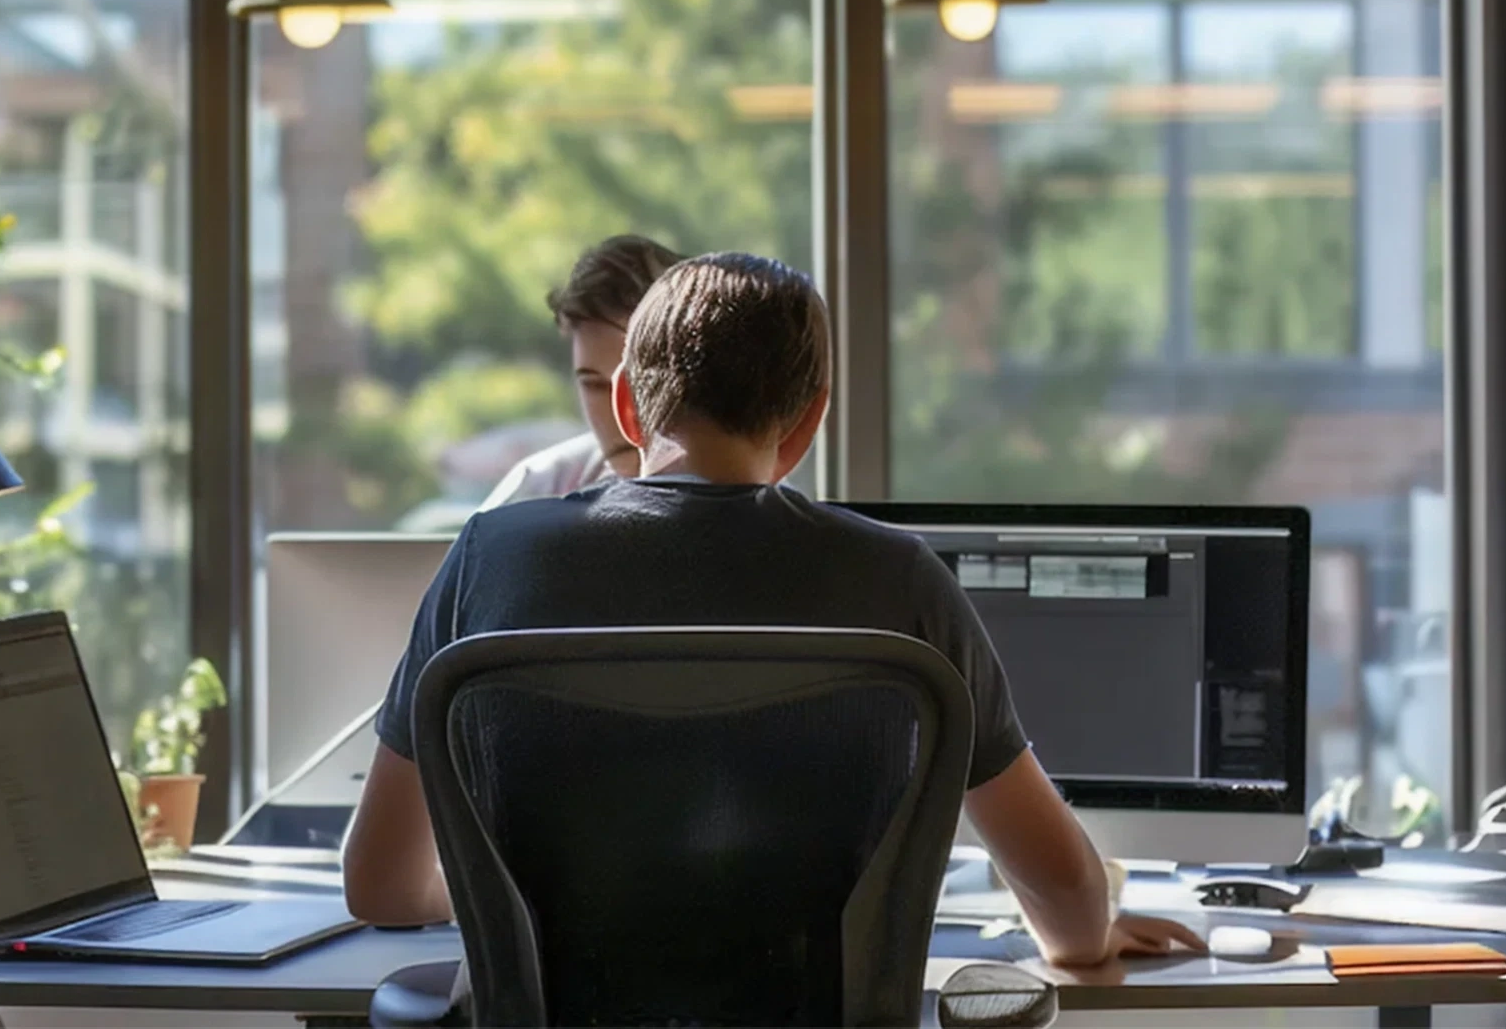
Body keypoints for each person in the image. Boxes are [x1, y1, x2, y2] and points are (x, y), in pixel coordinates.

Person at [341, 252, 1199, 969]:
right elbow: (1062, 887)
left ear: (631, 406)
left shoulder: (489, 556)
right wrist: (1088, 942)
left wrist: (513, 899)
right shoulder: (895, 579)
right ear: (809, 422)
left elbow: (378, 884)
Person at [476, 234, 685, 510]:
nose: (621, 414)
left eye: (640, 385)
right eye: (594, 386)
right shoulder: (536, 493)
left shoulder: (750, 504)